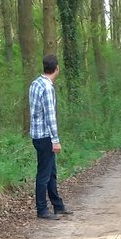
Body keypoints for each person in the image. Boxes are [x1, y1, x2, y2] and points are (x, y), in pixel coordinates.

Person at [29, 54, 72, 220]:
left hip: (37, 134)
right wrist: (56, 140)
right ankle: (42, 209)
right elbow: (50, 115)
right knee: (44, 174)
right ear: (57, 69)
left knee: (51, 171)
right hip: (45, 136)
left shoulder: (35, 83)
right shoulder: (47, 87)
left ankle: (58, 205)